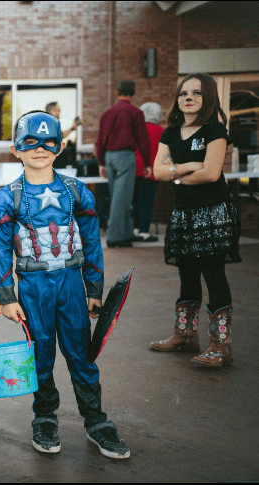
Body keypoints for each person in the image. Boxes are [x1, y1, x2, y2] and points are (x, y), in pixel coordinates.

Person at [0, 111, 130, 459]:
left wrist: (94, 289)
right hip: (33, 287)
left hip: (70, 284)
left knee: (81, 354)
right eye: (30, 142)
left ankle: (95, 420)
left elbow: (92, 242)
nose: (39, 148)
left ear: (61, 146)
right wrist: (6, 296)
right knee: (40, 355)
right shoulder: (6, 198)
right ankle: (44, 417)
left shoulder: (76, 191)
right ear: (15, 149)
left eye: (48, 141)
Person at [149, 73, 240, 367]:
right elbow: (159, 172)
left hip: (213, 212)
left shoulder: (215, 130)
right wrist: (190, 166)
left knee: (213, 274)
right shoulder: (170, 133)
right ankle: (185, 336)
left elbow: (211, 173)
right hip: (183, 213)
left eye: (197, 93)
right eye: (183, 93)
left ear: (208, 96)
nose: (188, 97)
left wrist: (175, 173)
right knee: (187, 274)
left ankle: (220, 345)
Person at [95, 79, 151, 248]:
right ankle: (114, 237)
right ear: (133, 93)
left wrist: (101, 162)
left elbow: (100, 139)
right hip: (125, 156)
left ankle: (126, 234)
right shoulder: (136, 112)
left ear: (116, 92)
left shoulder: (107, 113)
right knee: (122, 197)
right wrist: (147, 163)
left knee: (119, 196)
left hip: (109, 156)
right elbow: (143, 139)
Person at [131, 102, 165, 243]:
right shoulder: (162, 132)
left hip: (133, 170)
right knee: (146, 203)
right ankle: (144, 232)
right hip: (150, 170)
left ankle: (135, 230)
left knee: (135, 202)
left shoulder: (135, 130)